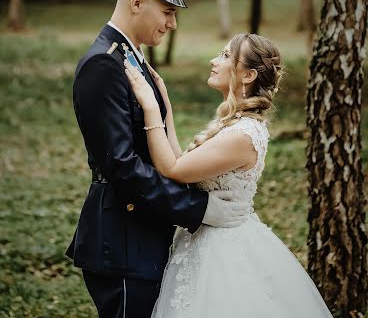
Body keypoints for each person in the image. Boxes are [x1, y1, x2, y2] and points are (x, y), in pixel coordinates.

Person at [66, 0, 250, 318]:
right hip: (122, 241)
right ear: (137, 3)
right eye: (167, 11)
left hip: (142, 235)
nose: (172, 23)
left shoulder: (129, 57)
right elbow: (120, 165)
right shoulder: (103, 65)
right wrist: (198, 209)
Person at [125, 33, 334, 318]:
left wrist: (150, 108)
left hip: (222, 251)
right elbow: (181, 162)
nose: (214, 61)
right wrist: (165, 104)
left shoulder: (242, 135)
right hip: (206, 235)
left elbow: (172, 170)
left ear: (247, 75)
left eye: (225, 56)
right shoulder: (233, 122)